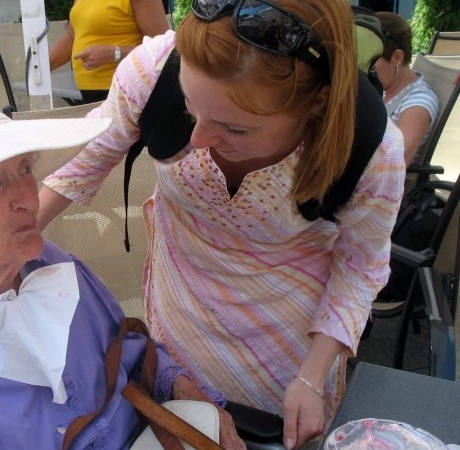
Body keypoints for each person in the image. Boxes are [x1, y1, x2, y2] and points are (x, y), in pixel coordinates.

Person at [38, 0, 406, 448]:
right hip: (180, 319)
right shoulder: (153, 70)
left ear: (317, 102)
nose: (198, 140)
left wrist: (311, 378)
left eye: (236, 129)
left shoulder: (371, 148)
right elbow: (75, 173)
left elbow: (361, 268)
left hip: (292, 344)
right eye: (191, 109)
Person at [0, 87, 246, 450]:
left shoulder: (52, 264)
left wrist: (185, 389)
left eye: (24, 169)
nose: (27, 196)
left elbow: (127, 350)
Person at [48, 0, 170, 103]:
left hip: (125, 94)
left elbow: (163, 48)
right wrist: (39, 67)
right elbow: (72, 36)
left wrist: (115, 53)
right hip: (88, 95)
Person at [373, 11, 440, 166]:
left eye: (373, 59)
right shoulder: (382, 88)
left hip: (375, 186)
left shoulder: (419, 102)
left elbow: (396, 160)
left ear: (397, 57)